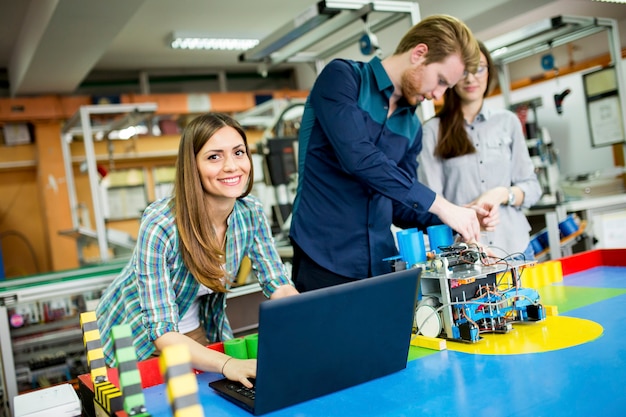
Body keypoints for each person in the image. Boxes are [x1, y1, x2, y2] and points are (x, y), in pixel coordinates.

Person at [289, 14, 497, 292]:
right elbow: (358, 157)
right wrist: (442, 205)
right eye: (441, 81)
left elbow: (401, 205)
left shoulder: (411, 125)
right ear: (419, 53)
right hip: (323, 259)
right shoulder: (343, 78)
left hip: (381, 264)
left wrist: (458, 218)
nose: (439, 95)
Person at [96, 113, 298, 388]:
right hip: (135, 333)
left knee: (208, 395)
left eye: (239, 152)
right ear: (192, 166)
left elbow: (278, 283)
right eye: (214, 157)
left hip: (193, 321)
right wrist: (228, 364)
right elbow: (162, 332)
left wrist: (306, 323)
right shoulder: (161, 225)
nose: (231, 166)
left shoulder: (250, 212)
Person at [418, 41, 542, 260]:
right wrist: (466, 215)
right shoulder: (432, 131)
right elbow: (430, 202)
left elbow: (532, 187)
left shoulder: (508, 122)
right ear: (452, 75)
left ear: (489, 71)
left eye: (479, 68)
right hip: (466, 255)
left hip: (517, 249)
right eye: (464, 70)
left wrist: (503, 193)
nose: (471, 77)